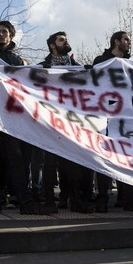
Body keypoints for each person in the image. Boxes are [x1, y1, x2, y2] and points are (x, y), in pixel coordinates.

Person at [0, 21, 50, 215]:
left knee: (15, 156)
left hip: (10, 114)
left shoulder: (17, 60)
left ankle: (23, 198)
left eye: (4, 32)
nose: (0, 35)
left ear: (11, 35)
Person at [39, 31, 94, 213]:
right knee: (49, 162)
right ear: (52, 45)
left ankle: (74, 199)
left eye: (66, 39)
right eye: (61, 40)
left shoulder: (77, 68)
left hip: (70, 121)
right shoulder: (42, 67)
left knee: (72, 161)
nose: (66, 42)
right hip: (49, 120)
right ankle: (48, 201)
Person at [93, 31, 133, 212]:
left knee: (127, 158)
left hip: (127, 119)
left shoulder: (131, 64)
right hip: (106, 117)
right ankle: (102, 198)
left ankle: (128, 199)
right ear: (116, 41)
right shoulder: (101, 61)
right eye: (126, 40)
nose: (128, 43)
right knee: (105, 157)